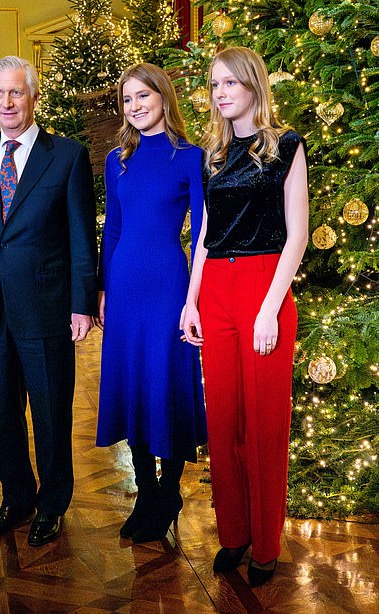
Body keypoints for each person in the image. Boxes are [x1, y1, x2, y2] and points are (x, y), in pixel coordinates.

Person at [0, 56, 98, 546]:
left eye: (16, 93)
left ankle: (53, 503)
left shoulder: (67, 156)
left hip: (47, 305)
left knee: (51, 410)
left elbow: (83, 237)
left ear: (33, 96)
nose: (7, 103)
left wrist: (82, 304)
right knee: (4, 411)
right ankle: (16, 497)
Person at [181, 47, 309, 587]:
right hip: (216, 291)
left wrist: (271, 307)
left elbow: (297, 234)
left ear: (254, 85)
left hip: (264, 287)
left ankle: (266, 543)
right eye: (214, 85)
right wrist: (191, 300)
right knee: (224, 421)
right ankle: (232, 533)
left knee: (263, 424)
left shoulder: (285, 146)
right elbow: (206, 236)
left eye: (231, 82)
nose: (221, 92)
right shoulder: (211, 154)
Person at [94, 63, 207, 543]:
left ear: (164, 97)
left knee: (167, 380)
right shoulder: (116, 158)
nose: (135, 106)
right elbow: (113, 228)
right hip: (123, 287)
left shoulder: (190, 156)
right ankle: (145, 490)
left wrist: (194, 299)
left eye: (143, 96)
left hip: (168, 286)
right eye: (127, 99)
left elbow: (204, 231)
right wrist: (102, 289)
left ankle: (168, 491)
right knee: (132, 383)